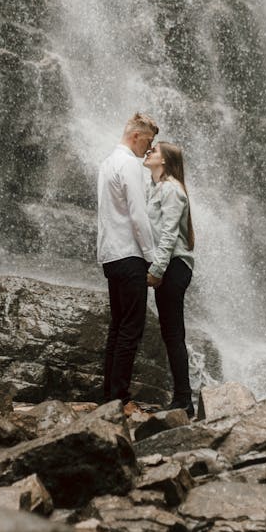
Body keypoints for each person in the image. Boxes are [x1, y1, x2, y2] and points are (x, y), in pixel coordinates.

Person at [97, 112, 159, 415]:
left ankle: (108, 395)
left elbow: (105, 214)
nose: (149, 149)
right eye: (148, 141)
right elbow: (138, 215)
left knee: (117, 327)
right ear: (136, 135)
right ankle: (121, 398)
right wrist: (153, 258)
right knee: (131, 329)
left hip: (111, 254)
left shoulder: (108, 162)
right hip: (131, 254)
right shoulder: (131, 165)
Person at [144, 141, 196, 418]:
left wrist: (157, 270)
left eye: (153, 151)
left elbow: (168, 234)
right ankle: (182, 397)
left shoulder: (172, 190)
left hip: (174, 266)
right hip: (169, 266)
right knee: (170, 332)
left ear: (164, 161)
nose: (148, 153)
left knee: (173, 333)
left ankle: (184, 400)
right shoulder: (157, 188)